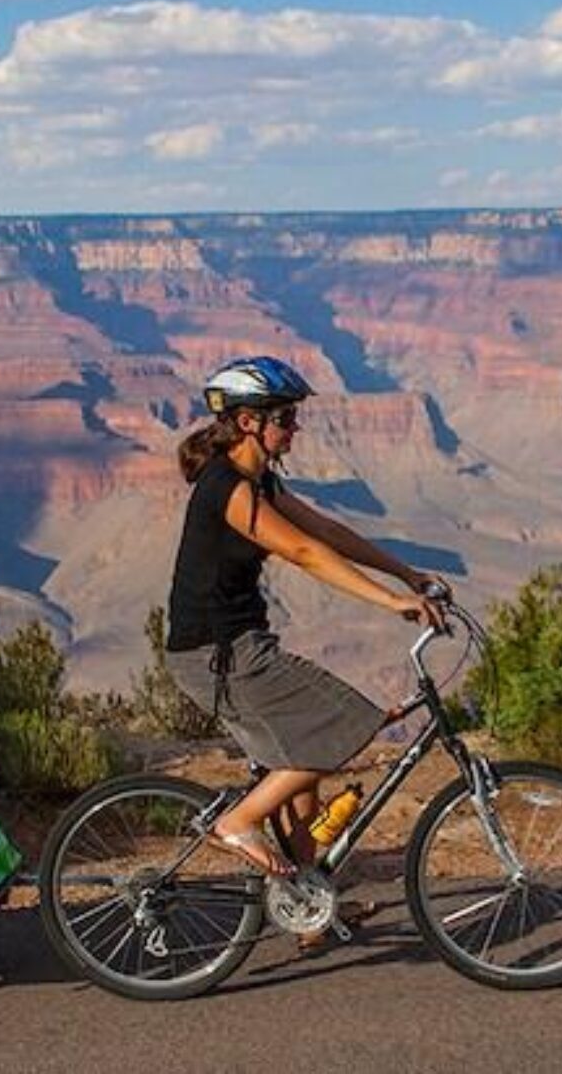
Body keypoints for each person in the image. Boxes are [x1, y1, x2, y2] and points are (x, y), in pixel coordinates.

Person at [163, 355, 447, 884]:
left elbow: (327, 532)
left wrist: (407, 574)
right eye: (285, 419)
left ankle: (310, 907)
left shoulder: (259, 482)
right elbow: (303, 551)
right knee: (339, 729)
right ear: (249, 422)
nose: (295, 428)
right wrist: (390, 602)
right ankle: (237, 822)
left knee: (302, 771)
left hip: (238, 647)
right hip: (218, 655)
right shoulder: (227, 487)